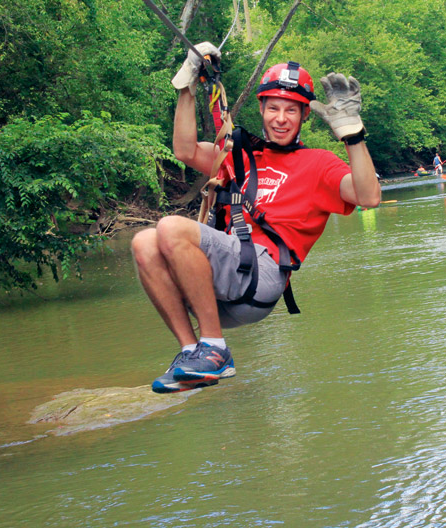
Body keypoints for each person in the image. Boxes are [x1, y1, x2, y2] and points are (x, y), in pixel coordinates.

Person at [131, 43, 381, 394]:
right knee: (142, 242)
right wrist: (187, 87)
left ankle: (215, 348)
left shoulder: (319, 164)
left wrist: (352, 135)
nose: (281, 118)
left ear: (304, 116)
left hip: (260, 278)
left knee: (171, 226)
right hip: (220, 286)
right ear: (261, 109)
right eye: (274, 108)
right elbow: (185, 150)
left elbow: (369, 196)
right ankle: (193, 354)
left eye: (292, 111)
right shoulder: (244, 156)